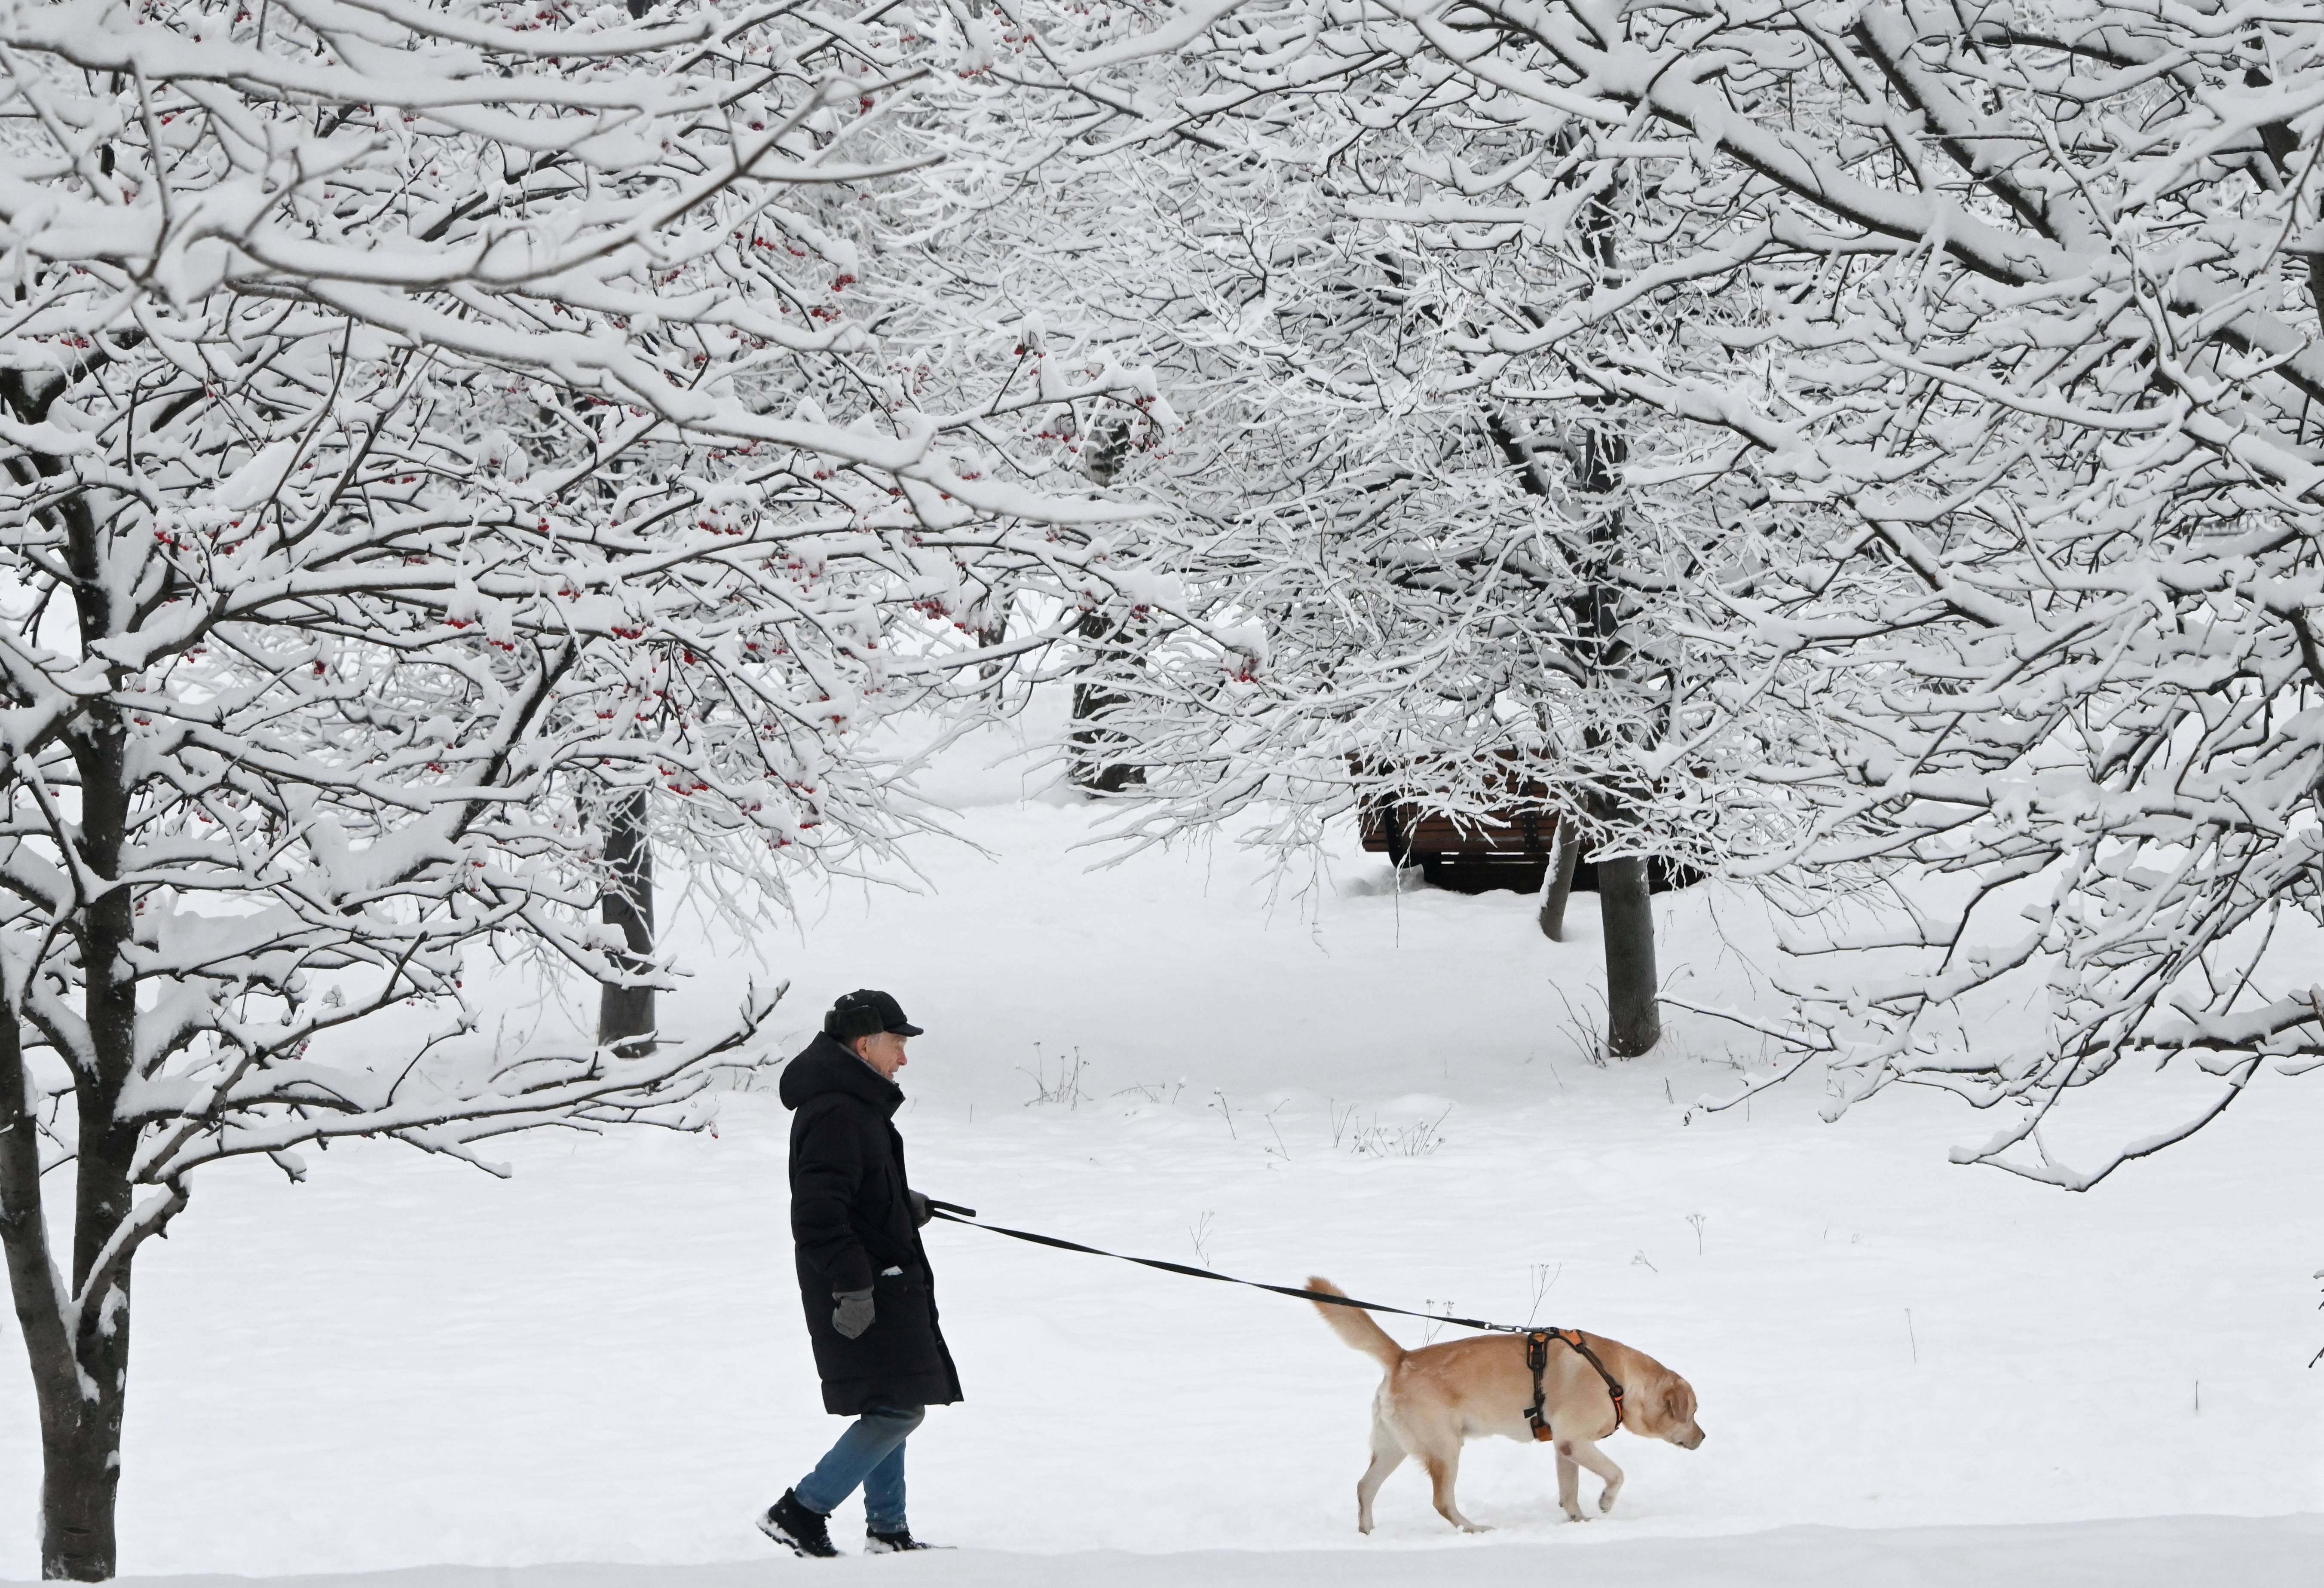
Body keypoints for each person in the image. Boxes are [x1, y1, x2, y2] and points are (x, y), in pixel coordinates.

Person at [759, 989, 961, 1558]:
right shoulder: (838, 1111)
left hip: (881, 1278)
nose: (903, 1058)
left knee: (891, 1397)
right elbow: (819, 1213)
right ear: (865, 1044)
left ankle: (887, 1531)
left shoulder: (851, 1105)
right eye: (897, 1044)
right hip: (865, 1285)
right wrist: (852, 1285)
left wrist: (900, 1202)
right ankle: (801, 1511)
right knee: (899, 1408)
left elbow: (850, 1190)